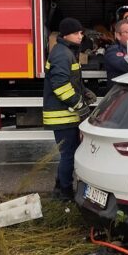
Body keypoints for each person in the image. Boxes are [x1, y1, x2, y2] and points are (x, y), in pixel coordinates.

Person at [42, 17, 95, 200]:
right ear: (66, 35)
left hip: (65, 114)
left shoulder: (65, 51)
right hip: (63, 115)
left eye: (81, 32)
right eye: (77, 33)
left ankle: (60, 187)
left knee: (69, 154)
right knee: (69, 155)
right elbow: (60, 86)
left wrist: (84, 91)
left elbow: (71, 82)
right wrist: (79, 104)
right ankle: (64, 193)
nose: (81, 36)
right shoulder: (62, 54)